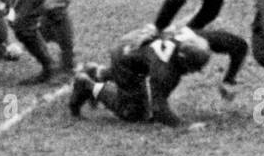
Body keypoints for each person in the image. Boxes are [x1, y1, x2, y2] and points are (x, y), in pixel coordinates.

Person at [69, 25, 220, 127]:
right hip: (126, 58)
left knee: (139, 66)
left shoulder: (188, 39)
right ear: (182, 59)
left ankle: (97, 72)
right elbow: (158, 108)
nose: (193, 72)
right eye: (193, 67)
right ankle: (87, 85)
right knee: (134, 113)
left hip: (134, 41)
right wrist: (184, 126)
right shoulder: (165, 71)